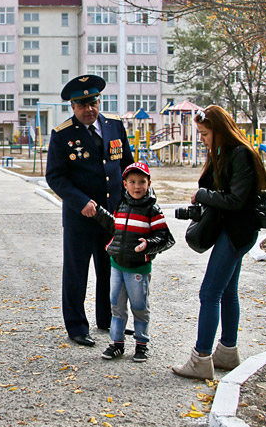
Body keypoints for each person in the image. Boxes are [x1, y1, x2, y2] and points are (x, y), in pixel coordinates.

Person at [172, 105, 266, 379]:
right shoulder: (228, 153)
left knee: (209, 293)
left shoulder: (241, 155)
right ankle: (227, 352)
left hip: (236, 232)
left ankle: (201, 359)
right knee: (226, 292)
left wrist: (202, 195)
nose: (202, 139)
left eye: (204, 134)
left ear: (219, 130)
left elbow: (236, 200)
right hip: (235, 231)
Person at [46, 74, 135, 346]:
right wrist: (80, 201)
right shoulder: (62, 134)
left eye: (93, 102)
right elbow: (56, 176)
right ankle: (76, 327)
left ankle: (108, 319)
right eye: (82, 104)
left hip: (112, 215)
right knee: (77, 272)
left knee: (110, 270)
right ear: (72, 107)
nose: (89, 109)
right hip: (81, 216)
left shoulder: (114, 126)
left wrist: (134, 199)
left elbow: (127, 166)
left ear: (99, 101)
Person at [92, 162, 174, 362]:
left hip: (138, 268)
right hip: (117, 265)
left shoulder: (152, 210)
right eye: (132, 182)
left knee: (139, 307)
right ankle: (117, 344)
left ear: (149, 183)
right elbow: (116, 228)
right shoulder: (122, 205)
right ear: (125, 184)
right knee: (117, 307)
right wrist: (100, 214)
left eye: (142, 182)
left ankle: (141, 345)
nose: (137, 186)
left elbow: (165, 237)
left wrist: (148, 245)